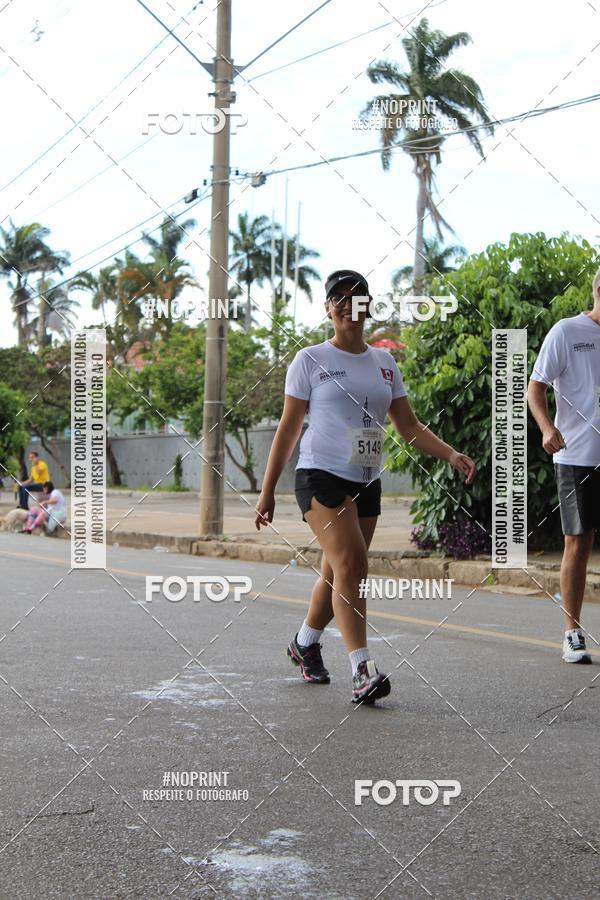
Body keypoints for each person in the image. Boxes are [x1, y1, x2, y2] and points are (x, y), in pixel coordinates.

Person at [254, 269, 476, 704]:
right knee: (353, 563)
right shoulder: (310, 360)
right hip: (320, 475)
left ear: (367, 307)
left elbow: (408, 425)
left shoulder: (384, 364)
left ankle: (304, 644)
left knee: (339, 571)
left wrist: (449, 453)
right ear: (328, 308)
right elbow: (287, 430)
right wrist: (266, 492)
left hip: (365, 478)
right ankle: (362, 668)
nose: (347, 305)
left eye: (357, 298)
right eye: (338, 298)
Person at [528, 267, 600, 664]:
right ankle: (572, 632)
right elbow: (535, 386)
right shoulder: (567, 332)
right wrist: (546, 427)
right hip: (577, 454)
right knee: (579, 541)